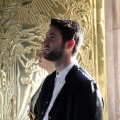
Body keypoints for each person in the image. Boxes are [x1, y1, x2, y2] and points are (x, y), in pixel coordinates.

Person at [29, 18, 104, 120]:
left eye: (52, 37)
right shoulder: (48, 81)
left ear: (70, 44)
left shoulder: (86, 86)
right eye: (46, 36)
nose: (45, 42)